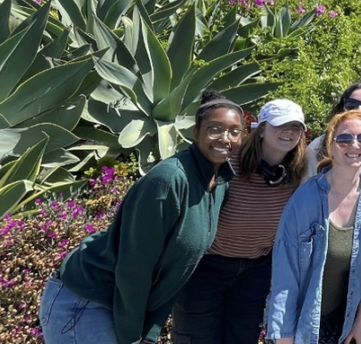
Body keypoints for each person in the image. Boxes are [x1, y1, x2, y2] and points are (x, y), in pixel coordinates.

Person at [39, 92, 243, 344]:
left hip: (122, 305)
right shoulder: (169, 181)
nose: (225, 138)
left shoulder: (219, 182)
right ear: (195, 132)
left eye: (235, 131)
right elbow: (135, 266)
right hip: (87, 301)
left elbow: (178, 269)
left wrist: (150, 332)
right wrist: (132, 336)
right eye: (215, 129)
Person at [171, 99, 308, 344]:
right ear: (261, 129)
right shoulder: (226, 162)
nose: (288, 132)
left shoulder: (298, 173)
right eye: (280, 125)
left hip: (255, 271)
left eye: (295, 127)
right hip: (207, 268)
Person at [265, 110, 361, 344]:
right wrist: (284, 337)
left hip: (344, 320)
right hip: (301, 322)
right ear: (331, 147)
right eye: (344, 139)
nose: (354, 144)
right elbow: (285, 275)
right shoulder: (304, 200)